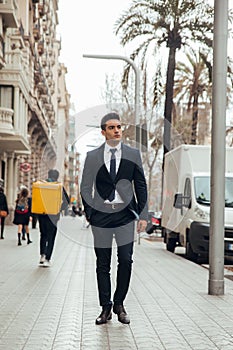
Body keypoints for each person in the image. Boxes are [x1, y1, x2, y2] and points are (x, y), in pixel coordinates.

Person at [80, 112, 148, 325]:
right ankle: (106, 307)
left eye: (119, 126)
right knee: (103, 264)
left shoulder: (133, 154)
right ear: (103, 132)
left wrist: (143, 215)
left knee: (126, 260)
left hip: (125, 215)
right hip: (101, 217)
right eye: (111, 127)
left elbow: (140, 185)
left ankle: (119, 303)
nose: (117, 130)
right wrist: (90, 213)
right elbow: (85, 186)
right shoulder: (92, 157)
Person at [37, 169, 69, 267]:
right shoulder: (59, 187)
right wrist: (59, 208)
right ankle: (47, 258)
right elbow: (66, 200)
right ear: (57, 176)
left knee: (43, 234)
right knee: (51, 237)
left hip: (42, 214)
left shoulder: (42, 185)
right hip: (54, 216)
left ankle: (42, 254)